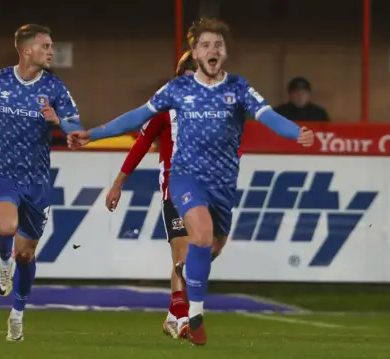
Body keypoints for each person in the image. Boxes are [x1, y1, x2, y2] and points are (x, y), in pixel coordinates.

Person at [67, 18, 314, 345]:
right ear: (195, 53)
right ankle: (193, 315)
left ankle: (184, 286)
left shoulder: (238, 88)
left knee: (212, 245)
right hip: (184, 179)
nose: (213, 50)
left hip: (223, 184)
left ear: (225, 52)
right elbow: (136, 119)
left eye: (218, 45)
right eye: (206, 45)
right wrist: (93, 135)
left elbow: (267, 115)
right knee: (200, 235)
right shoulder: (176, 90)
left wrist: (295, 132)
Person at [0, 24, 84, 342]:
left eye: (52, 46)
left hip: (37, 181)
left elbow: (76, 127)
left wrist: (59, 122)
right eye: (46, 45)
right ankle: (4, 260)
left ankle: (17, 314)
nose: (51, 51)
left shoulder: (55, 88)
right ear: (26, 50)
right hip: (3, 173)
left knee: (28, 254)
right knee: (7, 229)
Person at [106, 50, 208, 339]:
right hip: (174, 190)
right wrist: (118, 183)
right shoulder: (165, 106)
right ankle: (185, 317)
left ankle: (173, 317)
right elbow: (141, 143)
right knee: (182, 255)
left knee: (195, 257)